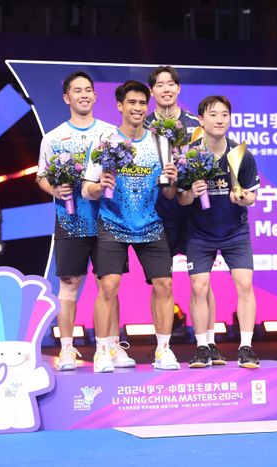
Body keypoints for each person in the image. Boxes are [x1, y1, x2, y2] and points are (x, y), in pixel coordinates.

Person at [36, 71, 134, 372]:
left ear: (94, 96)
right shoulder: (52, 138)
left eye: (88, 90)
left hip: (108, 220)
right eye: (77, 91)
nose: (84, 95)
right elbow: (40, 176)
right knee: (69, 283)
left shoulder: (110, 134)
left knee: (109, 285)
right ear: (67, 98)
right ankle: (67, 349)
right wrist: (54, 188)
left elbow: (126, 170)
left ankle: (113, 346)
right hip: (71, 221)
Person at [83, 80, 180, 373]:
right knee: (108, 286)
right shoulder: (105, 141)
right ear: (120, 106)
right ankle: (103, 351)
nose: (138, 108)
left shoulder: (160, 143)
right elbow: (87, 189)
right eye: (132, 103)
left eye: (142, 103)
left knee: (165, 285)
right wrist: (101, 186)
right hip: (112, 222)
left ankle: (163, 350)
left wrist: (173, 180)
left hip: (150, 224)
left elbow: (169, 194)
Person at [144, 66, 224, 365]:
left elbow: (213, 159)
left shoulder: (196, 124)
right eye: (159, 84)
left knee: (201, 283)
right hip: (158, 214)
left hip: (194, 214)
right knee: (161, 283)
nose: (166, 89)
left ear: (178, 89)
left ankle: (209, 343)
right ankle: (162, 347)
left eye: (171, 84)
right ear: (152, 91)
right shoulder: (145, 127)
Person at [178, 95, 261, 369]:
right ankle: (203, 346)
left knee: (245, 285)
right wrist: (192, 191)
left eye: (224, 114)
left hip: (235, 232)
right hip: (200, 233)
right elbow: (181, 200)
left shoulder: (240, 154)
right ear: (201, 120)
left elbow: (251, 197)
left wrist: (243, 197)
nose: (219, 119)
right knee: (198, 288)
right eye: (213, 114)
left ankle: (246, 347)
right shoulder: (190, 155)